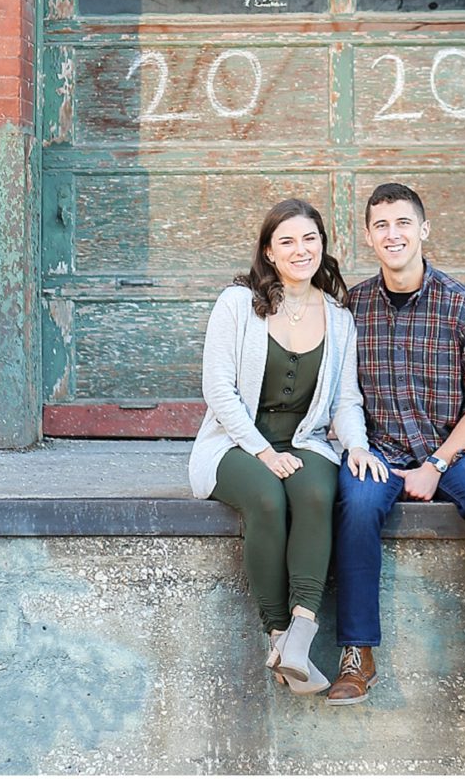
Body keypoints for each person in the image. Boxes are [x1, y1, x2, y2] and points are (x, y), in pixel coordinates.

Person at [328, 181, 465, 709]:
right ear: (368, 236)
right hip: (379, 450)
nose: (394, 235)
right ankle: (356, 652)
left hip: (453, 449)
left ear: (423, 230)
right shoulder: (351, 308)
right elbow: (335, 391)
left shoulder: (463, 304)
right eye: (382, 225)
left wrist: (436, 463)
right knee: (357, 506)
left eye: (403, 223)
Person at [189, 197, 388, 695]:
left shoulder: (340, 318)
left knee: (320, 493)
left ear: (322, 244)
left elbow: (345, 397)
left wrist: (358, 446)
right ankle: (275, 632)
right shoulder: (237, 303)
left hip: (304, 442)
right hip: (235, 443)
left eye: (310, 239)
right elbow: (218, 390)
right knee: (266, 497)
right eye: (288, 242)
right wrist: (262, 452)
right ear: (269, 252)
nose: (301, 250)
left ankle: (300, 635)